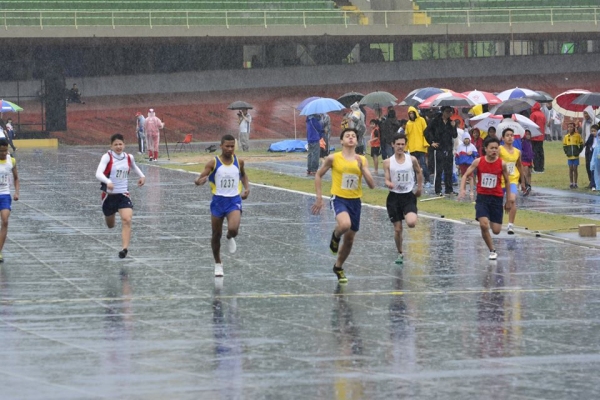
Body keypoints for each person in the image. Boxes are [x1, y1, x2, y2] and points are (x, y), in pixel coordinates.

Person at [311, 128, 375, 283]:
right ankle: (335, 236)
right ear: (341, 141)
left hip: (355, 201)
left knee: (350, 239)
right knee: (345, 224)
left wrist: (362, 168)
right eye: (347, 136)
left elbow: (372, 185)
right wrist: (319, 198)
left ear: (357, 141)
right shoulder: (333, 158)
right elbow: (318, 175)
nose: (351, 138)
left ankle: (338, 266)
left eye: (353, 136)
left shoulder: (362, 160)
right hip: (339, 198)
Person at [194, 134, 250, 277]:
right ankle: (218, 263)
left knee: (233, 229)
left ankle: (230, 236)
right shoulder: (213, 162)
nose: (230, 149)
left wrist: (247, 188)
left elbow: (243, 175)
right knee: (216, 235)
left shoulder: (239, 162)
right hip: (218, 201)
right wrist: (198, 181)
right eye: (227, 146)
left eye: (232, 146)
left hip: (234, 200)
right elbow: (200, 177)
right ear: (221, 146)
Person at [458, 136, 513, 260]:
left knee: (496, 230)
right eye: (491, 148)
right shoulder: (478, 161)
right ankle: (492, 250)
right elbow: (465, 175)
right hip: (482, 198)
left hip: (497, 198)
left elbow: (507, 182)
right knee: (484, 225)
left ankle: (491, 229)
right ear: (486, 149)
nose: (494, 150)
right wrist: (462, 189)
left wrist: (508, 200)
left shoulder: (502, 164)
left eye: (496, 148)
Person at [95, 133, 145, 259]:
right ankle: (109, 215)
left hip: (123, 195)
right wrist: (107, 182)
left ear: (124, 145)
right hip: (109, 196)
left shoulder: (128, 157)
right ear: (111, 146)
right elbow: (98, 173)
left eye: (120, 144)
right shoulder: (107, 157)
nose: (118, 147)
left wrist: (142, 176)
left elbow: (134, 166)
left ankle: (124, 249)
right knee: (110, 225)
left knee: (127, 220)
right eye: (116, 144)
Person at [383, 133, 423, 265]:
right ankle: (400, 252)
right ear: (393, 145)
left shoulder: (412, 159)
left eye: (402, 144)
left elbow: (418, 172)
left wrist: (419, 188)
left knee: (411, 223)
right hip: (394, 198)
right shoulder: (388, 162)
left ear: (405, 145)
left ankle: (409, 213)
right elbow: (386, 178)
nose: (400, 147)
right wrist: (388, 183)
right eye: (398, 144)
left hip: (408, 196)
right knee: (398, 229)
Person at [425, 106, 457, 196]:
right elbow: (426, 132)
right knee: (439, 170)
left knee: (449, 170)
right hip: (439, 148)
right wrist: (431, 142)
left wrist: (453, 127)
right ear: (443, 112)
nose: (449, 113)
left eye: (450, 112)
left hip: (448, 149)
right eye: (447, 111)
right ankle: (438, 189)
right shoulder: (435, 121)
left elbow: (454, 135)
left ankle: (449, 189)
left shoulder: (451, 122)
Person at [499, 128, 525, 235]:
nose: (510, 137)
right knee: (497, 202)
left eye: (511, 135)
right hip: (500, 180)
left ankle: (510, 225)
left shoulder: (517, 151)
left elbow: (519, 165)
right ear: (503, 138)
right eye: (507, 135)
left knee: (512, 200)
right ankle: (495, 220)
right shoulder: (499, 149)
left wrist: (523, 181)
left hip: (513, 179)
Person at [0, 139, 18, 262]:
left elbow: (16, 178)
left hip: (5, 194)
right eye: (1, 151)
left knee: (5, 221)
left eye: (5, 150)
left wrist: (17, 192)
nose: (3, 153)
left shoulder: (11, 160)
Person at [405, 106, 430, 187]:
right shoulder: (408, 124)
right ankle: (416, 180)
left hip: (421, 146)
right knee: (414, 165)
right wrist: (406, 147)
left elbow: (426, 132)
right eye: (410, 114)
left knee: (423, 164)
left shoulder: (421, 120)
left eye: (412, 113)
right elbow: (407, 136)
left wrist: (425, 143)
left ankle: (427, 180)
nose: (411, 115)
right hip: (412, 147)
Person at [455, 131, 479, 201]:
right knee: (463, 177)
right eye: (465, 139)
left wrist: (472, 153)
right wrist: (457, 163)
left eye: (467, 139)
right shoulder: (460, 147)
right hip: (462, 164)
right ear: (463, 139)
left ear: (469, 139)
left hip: (469, 164)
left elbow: (476, 154)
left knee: (471, 177)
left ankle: (471, 191)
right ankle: (464, 190)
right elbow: (457, 156)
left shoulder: (472, 146)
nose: (466, 140)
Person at [581, 107, 600, 189]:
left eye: (587, 113)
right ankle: (591, 181)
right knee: (588, 164)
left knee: (595, 165)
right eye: (584, 113)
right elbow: (584, 133)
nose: (585, 115)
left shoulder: (597, 121)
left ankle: (596, 181)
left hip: (596, 147)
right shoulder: (584, 122)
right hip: (588, 146)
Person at [563, 122, 584, 189]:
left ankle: (576, 183)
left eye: (571, 127)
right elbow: (564, 146)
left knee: (575, 169)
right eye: (569, 127)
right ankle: (571, 183)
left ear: (574, 128)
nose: (570, 128)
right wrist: (567, 152)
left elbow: (581, 144)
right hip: (569, 156)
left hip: (576, 156)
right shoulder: (566, 137)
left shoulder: (578, 136)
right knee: (570, 169)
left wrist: (578, 151)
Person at [529, 103, 546, 173]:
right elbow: (544, 123)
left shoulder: (533, 114)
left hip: (534, 136)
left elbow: (531, 125)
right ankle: (541, 167)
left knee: (535, 152)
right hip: (541, 136)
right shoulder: (542, 114)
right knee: (540, 152)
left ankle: (536, 167)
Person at [521, 129, 534, 195]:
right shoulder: (523, 142)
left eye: (529, 134)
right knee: (525, 173)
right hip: (524, 160)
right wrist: (525, 155)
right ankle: (525, 185)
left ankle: (529, 185)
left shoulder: (530, 143)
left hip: (529, 160)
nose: (528, 136)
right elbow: (521, 151)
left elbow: (531, 151)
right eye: (527, 134)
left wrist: (532, 156)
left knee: (529, 173)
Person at [589, 125, 600, 192]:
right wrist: (592, 164)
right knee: (596, 173)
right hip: (597, 162)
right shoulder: (597, 146)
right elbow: (594, 156)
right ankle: (596, 186)